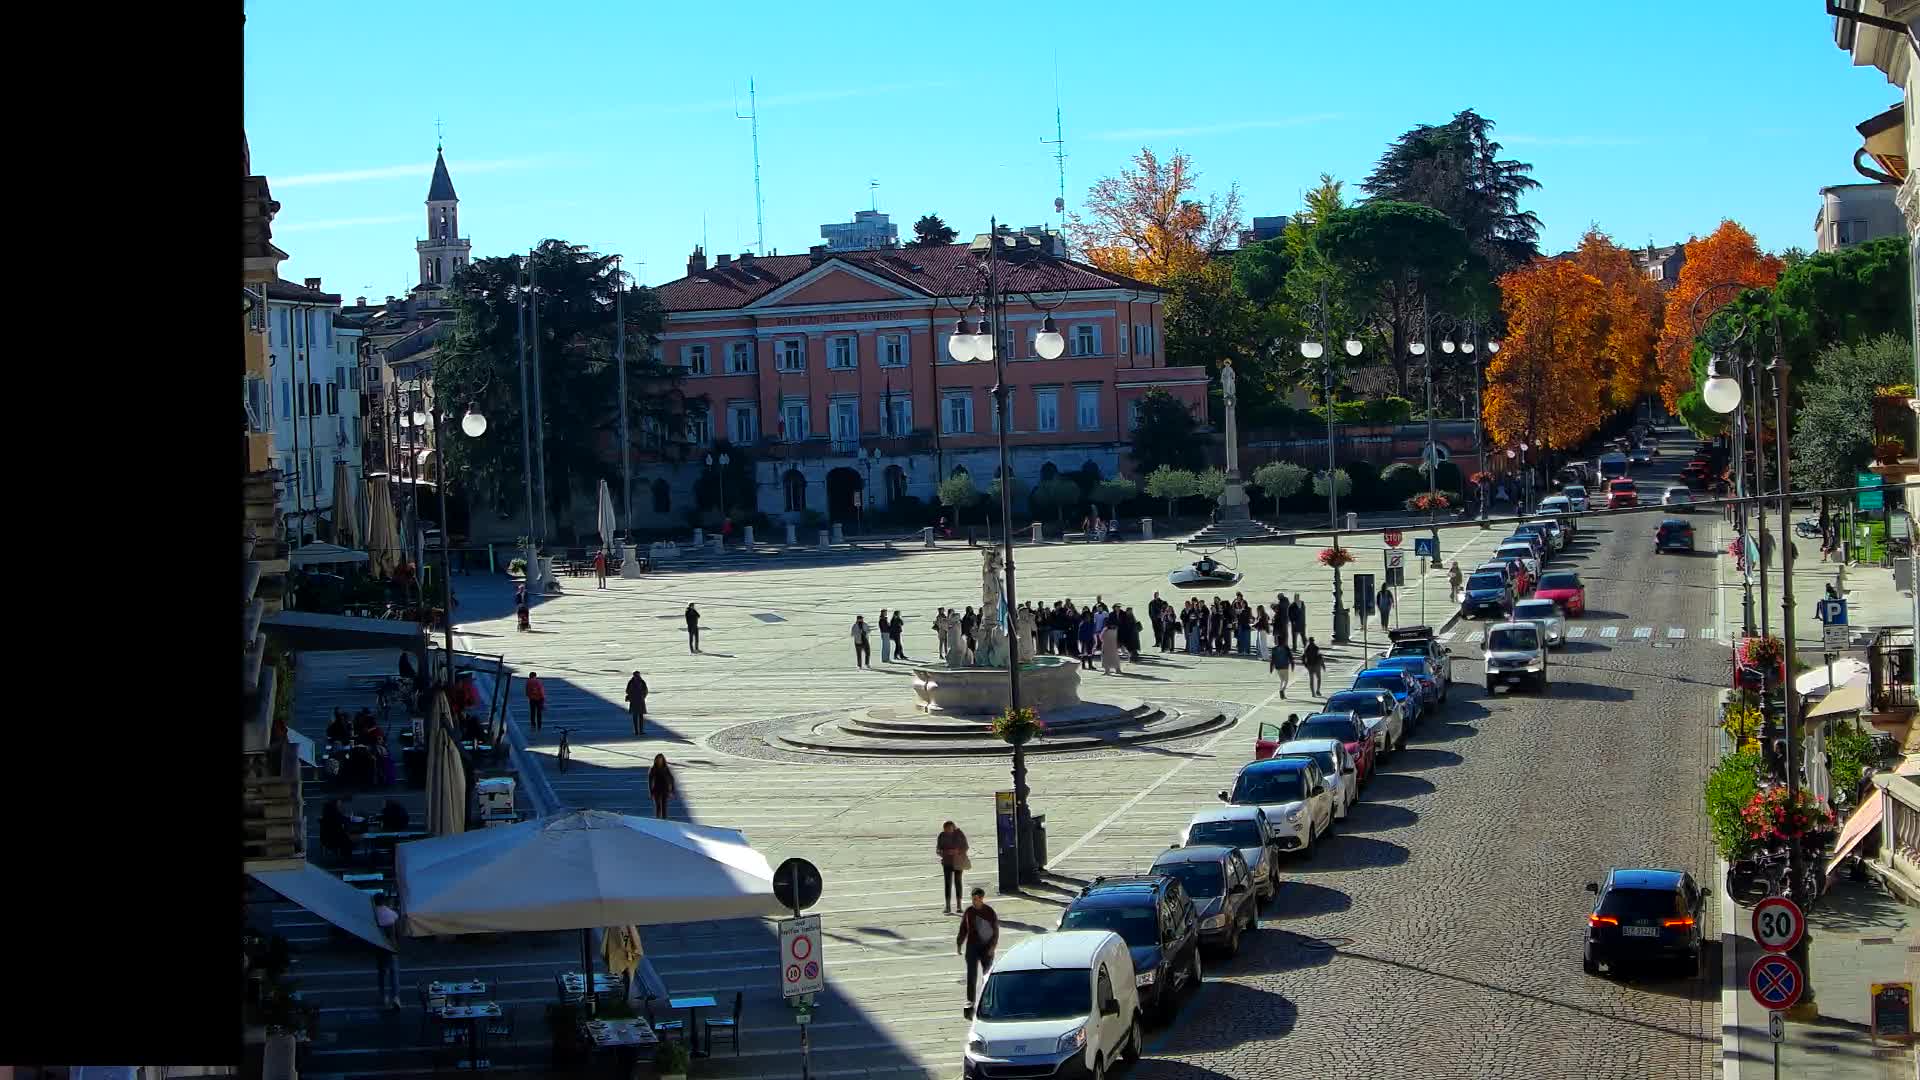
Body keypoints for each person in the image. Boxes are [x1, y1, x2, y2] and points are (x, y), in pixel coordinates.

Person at [956, 887, 999, 1018]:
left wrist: (992, 947)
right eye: (972, 899)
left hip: (986, 947)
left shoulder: (989, 912)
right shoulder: (969, 912)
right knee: (971, 976)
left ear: (981, 898)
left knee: (987, 975)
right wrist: (959, 943)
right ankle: (970, 1002)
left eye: (976, 899)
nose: (974, 901)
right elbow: (963, 928)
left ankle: (987, 1001)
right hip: (972, 947)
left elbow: (995, 932)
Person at [372, 893, 402, 1010]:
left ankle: (383, 996)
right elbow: (398, 932)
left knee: (382, 972)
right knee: (394, 972)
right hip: (392, 947)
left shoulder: (374, 915)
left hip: (380, 947)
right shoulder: (392, 914)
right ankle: (396, 997)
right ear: (384, 901)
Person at [937, 820, 970, 914]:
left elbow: (966, 847)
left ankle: (959, 906)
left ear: (953, 827)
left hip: (958, 861)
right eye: (945, 829)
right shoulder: (942, 835)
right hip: (947, 862)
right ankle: (948, 907)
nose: (947, 831)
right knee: (947, 884)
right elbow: (938, 849)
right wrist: (944, 852)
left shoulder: (959, 834)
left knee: (958, 882)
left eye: (949, 829)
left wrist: (957, 851)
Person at [647, 754, 675, 819]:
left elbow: (671, 779)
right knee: (658, 806)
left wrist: (672, 791)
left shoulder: (666, 768)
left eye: (661, 759)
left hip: (665, 789)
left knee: (664, 806)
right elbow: (650, 781)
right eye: (658, 759)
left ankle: (664, 821)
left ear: (663, 760)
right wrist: (650, 792)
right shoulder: (653, 769)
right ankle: (658, 820)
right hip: (656, 790)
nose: (660, 760)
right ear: (656, 760)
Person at [625, 671, 649, 736]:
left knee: (640, 716)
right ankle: (637, 731)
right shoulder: (632, 682)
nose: (637, 676)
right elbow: (627, 690)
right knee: (635, 716)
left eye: (637, 675)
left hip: (639, 701)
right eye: (636, 675)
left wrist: (643, 696)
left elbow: (646, 690)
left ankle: (640, 731)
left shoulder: (641, 682)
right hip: (635, 701)